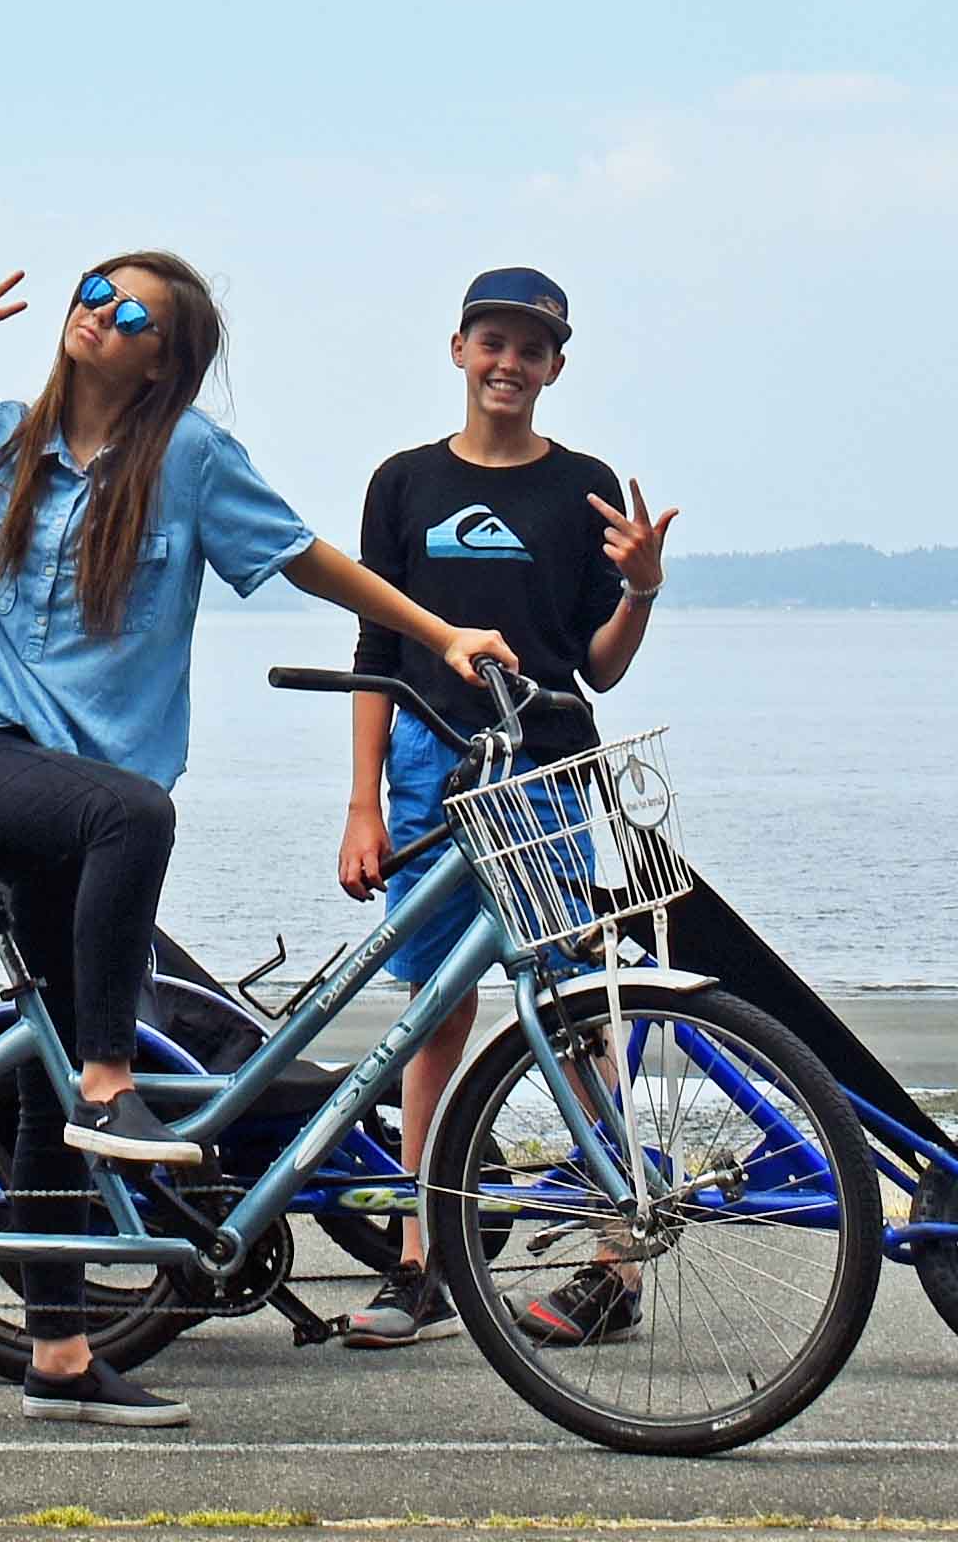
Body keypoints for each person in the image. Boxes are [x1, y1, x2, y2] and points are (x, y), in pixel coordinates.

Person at [0, 255, 515, 1429]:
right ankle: (111, 1080)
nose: (99, 310)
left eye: (132, 308)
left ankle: (62, 1358)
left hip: (83, 799)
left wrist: (439, 633)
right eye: (95, 286)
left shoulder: (187, 462)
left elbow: (308, 558)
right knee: (134, 831)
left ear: (163, 359)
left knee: (36, 1076)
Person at [325, 266, 675, 1352]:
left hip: (549, 771)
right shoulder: (403, 483)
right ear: (458, 349)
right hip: (430, 765)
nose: (509, 363)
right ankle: (424, 1260)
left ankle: (618, 1253)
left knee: (569, 1009)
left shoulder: (585, 487)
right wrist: (361, 803)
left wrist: (643, 587)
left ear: (556, 365)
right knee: (436, 1011)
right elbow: (377, 651)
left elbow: (601, 671)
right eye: (492, 341)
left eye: (532, 348)